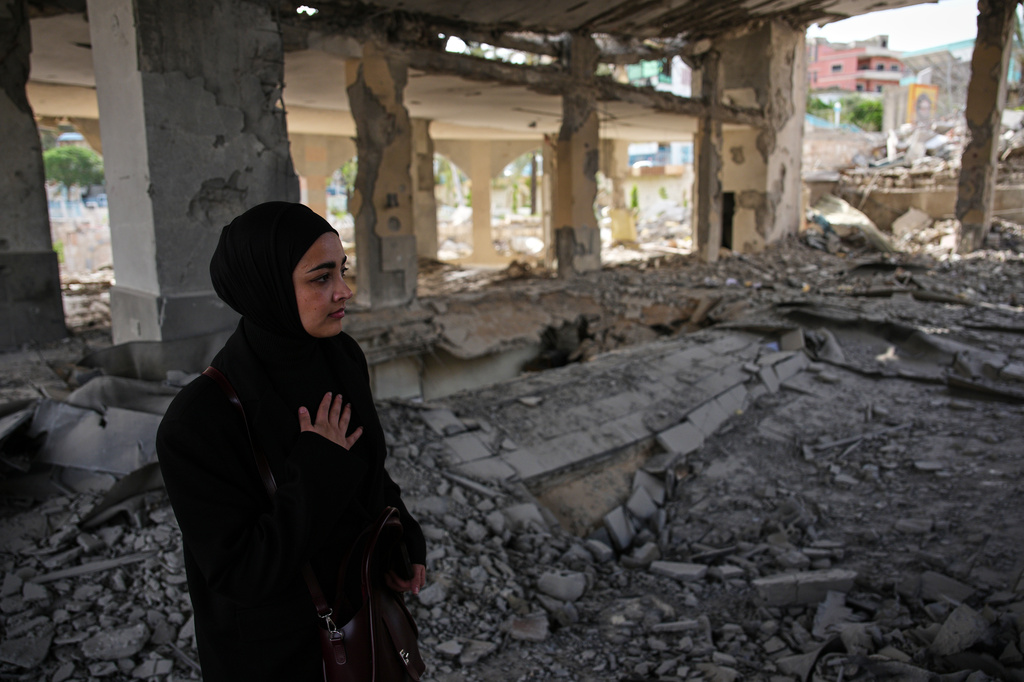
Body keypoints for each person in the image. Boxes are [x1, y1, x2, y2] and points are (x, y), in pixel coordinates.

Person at [156, 202, 426, 681]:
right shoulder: (198, 422)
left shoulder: (340, 357)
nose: (345, 291)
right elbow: (242, 573)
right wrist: (317, 469)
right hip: (276, 656)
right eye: (320, 278)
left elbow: (367, 466)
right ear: (267, 288)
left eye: (342, 271)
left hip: (360, 625)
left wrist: (401, 534)